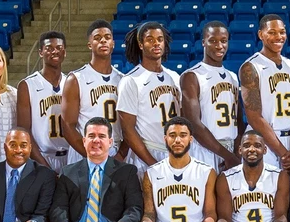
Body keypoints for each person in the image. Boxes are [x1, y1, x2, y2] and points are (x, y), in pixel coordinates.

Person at [240, 14, 290, 171]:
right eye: (272, 32)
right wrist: (284, 153)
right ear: (261, 34)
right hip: (266, 142)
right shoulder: (251, 67)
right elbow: (254, 117)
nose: (278, 37)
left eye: (282, 32)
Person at [117, 21, 182, 178]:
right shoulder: (131, 80)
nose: (156, 43)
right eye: (150, 39)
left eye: (160, 39)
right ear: (140, 44)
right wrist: (153, 163)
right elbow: (128, 130)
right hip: (145, 155)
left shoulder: (174, 77)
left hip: (174, 152)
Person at [180, 21, 241, 170]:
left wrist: (236, 153)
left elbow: (238, 121)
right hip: (204, 149)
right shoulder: (192, 76)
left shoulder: (232, 77)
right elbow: (194, 123)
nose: (219, 46)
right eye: (213, 41)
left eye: (223, 41)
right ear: (203, 42)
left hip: (230, 149)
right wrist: (227, 156)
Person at [61, 20, 122, 162]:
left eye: (107, 37)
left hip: (115, 151)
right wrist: (92, 155)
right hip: (84, 152)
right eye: (97, 38)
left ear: (113, 43)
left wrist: (121, 154)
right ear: (89, 45)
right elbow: (67, 126)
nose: (103, 41)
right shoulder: (76, 79)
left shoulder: (123, 80)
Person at [17, 31, 70, 173]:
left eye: (59, 48)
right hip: (41, 157)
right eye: (49, 48)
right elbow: (24, 132)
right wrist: (44, 167)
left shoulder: (72, 83)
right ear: (40, 52)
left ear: (65, 52)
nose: (54, 51)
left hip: (71, 157)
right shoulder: (27, 85)